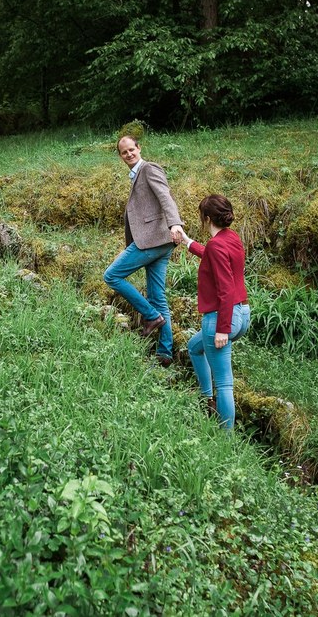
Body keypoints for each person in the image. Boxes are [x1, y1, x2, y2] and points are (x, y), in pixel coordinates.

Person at [103, 135, 185, 367]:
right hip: (160, 241)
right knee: (158, 297)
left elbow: (165, 196)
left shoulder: (149, 168)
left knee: (112, 275)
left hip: (153, 240)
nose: (129, 154)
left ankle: (150, 316)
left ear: (139, 148)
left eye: (132, 149)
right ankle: (165, 353)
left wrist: (175, 223)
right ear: (120, 156)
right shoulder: (136, 173)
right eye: (124, 152)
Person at [175, 194, 250, 429]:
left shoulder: (217, 246)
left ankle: (225, 439)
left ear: (206, 218)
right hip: (243, 314)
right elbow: (210, 254)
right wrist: (187, 241)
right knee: (194, 347)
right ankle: (206, 398)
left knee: (225, 383)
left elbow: (225, 290)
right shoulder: (231, 238)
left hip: (221, 318)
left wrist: (222, 330)